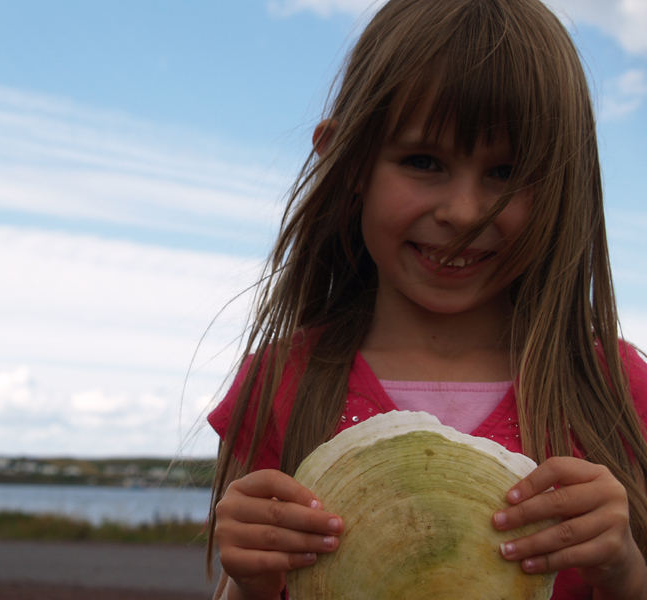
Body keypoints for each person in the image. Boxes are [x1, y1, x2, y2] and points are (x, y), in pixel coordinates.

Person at [204, 0, 647, 598]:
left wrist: (623, 570)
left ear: (564, 183)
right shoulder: (282, 381)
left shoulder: (613, 387)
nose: (463, 212)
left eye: (506, 173)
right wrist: (250, 579)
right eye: (423, 161)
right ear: (347, 158)